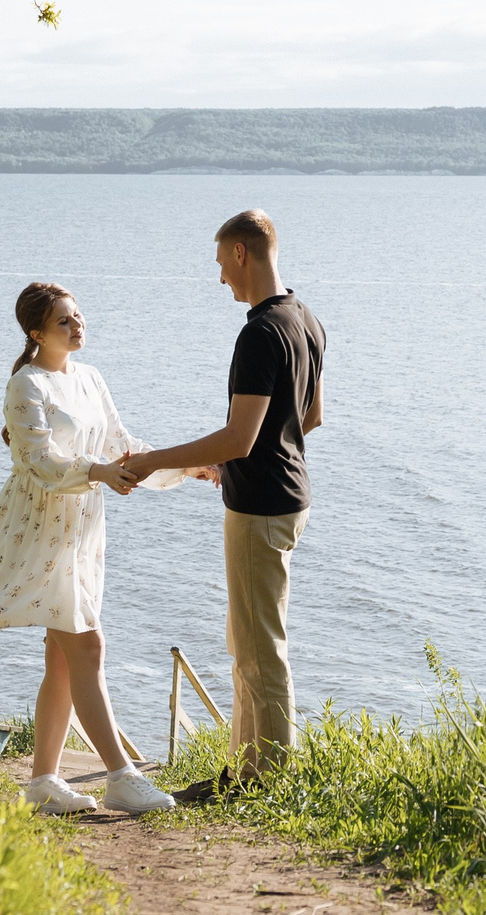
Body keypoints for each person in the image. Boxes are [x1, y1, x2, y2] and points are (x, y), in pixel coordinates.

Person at [0, 280, 213, 816]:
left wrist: (186, 466)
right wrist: (98, 472)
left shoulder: (92, 379)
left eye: (79, 316)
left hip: (84, 526)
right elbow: (39, 463)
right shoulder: (26, 385)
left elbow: (124, 447)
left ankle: (44, 781)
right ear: (36, 332)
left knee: (63, 656)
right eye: (65, 322)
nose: (78, 327)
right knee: (87, 646)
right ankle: (121, 775)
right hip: (39, 523)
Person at [119, 209, 325, 797]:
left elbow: (240, 437)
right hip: (287, 493)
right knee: (248, 641)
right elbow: (310, 416)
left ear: (241, 254)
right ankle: (241, 772)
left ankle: (266, 784)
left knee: (261, 650)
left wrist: (156, 459)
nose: (220, 280)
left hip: (261, 506)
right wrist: (248, 455)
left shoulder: (260, 332)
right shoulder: (305, 318)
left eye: (220, 265)